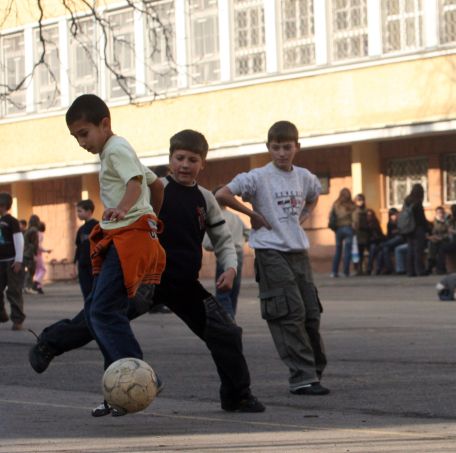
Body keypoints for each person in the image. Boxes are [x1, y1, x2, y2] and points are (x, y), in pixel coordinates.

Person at [29, 128, 265, 415]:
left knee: (227, 333)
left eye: (193, 160)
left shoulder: (205, 199)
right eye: (180, 158)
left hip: (184, 286)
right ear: (170, 160)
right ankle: (49, 343)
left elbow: (224, 240)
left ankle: (237, 396)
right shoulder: (154, 188)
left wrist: (230, 268)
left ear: (203, 164)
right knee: (98, 317)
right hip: (146, 279)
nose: (185, 165)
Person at [66, 94, 166, 415]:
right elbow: (158, 185)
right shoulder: (119, 150)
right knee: (100, 311)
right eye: (75, 137)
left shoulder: (116, 149)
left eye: (84, 133)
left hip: (128, 238)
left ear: (104, 124)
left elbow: (136, 183)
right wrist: (149, 218)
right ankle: (118, 392)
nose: (81, 142)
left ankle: (144, 377)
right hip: (131, 235)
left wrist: (125, 211)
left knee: (103, 313)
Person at [216, 120, 329, 396]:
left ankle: (314, 371)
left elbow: (315, 195)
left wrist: (305, 215)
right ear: (268, 148)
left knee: (311, 313)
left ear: (296, 147)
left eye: (287, 147)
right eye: (276, 148)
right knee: (289, 312)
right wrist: (251, 214)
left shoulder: (304, 177)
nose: (281, 153)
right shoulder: (258, 177)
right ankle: (301, 377)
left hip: (297, 251)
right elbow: (222, 193)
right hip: (270, 250)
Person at [203, 187, 249, 318]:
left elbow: (207, 244)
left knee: (223, 292)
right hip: (239, 254)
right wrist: (239, 240)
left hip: (224, 256)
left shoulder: (215, 219)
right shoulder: (236, 217)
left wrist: (218, 245)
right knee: (234, 290)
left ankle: (227, 320)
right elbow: (248, 233)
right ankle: (231, 316)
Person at [0, 192, 25, 330]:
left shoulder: (11, 221)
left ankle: (17, 319)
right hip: (0, 261)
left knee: (14, 291)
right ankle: (1, 313)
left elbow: (18, 240)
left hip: (11, 261)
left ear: (3, 206)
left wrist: (18, 260)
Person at [402, 183, 430, 277]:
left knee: (410, 250)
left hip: (408, 229)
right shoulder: (417, 203)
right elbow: (421, 219)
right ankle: (420, 270)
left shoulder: (407, 201)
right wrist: (428, 229)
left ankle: (410, 271)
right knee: (418, 250)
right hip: (418, 229)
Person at [73, 200, 98, 301]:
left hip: (94, 265)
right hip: (82, 265)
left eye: (80, 211)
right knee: (86, 293)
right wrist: (74, 264)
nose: (78, 214)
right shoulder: (81, 229)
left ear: (89, 211)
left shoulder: (97, 226)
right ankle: (88, 315)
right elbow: (78, 247)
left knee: (95, 292)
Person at [329, 188, 355, 278]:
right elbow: (355, 218)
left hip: (338, 229)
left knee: (338, 251)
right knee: (347, 251)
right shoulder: (351, 205)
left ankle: (334, 272)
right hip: (348, 228)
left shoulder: (336, 204)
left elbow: (331, 216)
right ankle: (346, 272)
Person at [376, 208, 404, 275]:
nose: (393, 217)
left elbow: (402, 233)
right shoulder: (389, 223)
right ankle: (389, 268)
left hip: (400, 240)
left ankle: (382, 245)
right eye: (391, 215)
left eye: (394, 215)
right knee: (385, 249)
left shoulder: (401, 221)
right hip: (391, 242)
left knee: (397, 238)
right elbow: (389, 235)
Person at [426, 206, 449, 275]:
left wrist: (441, 237)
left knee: (436, 246)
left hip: (445, 239)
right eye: (438, 213)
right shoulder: (434, 222)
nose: (440, 214)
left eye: (441, 212)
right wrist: (432, 237)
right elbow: (432, 232)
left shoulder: (447, 221)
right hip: (436, 240)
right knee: (432, 243)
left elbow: (449, 232)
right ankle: (433, 263)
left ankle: (431, 264)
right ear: (436, 213)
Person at [32, 222, 51, 294]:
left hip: (34, 253)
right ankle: (36, 282)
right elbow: (38, 245)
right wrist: (46, 250)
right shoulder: (40, 235)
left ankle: (38, 287)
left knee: (37, 271)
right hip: (38, 254)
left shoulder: (35, 233)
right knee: (43, 269)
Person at [23, 214, 40, 293]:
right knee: (31, 271)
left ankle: (25, 287)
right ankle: (28, 287)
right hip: (30, 253)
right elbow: (34, 243)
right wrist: (35, 254)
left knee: (27, 271)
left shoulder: (28, 230)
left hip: (25, 252)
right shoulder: (34, 230)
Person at [352, 193, 369, 275]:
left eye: (361, 200)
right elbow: (354, 223)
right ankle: (358, 269)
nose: (360, 202)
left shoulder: (366, 211)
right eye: (358, 200)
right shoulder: (354, 211)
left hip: (365, 233)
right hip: (357, 234)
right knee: (357, 252)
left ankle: (364, 269)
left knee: (364, 252)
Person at [365, 209, 385, 275]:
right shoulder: (365, 225)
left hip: (378, 242)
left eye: (371, 215)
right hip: (370, 243)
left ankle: (378, 269)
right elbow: (367, 238)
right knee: (373, 248)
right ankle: (369, 268)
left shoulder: (376, 223)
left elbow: (380, 234)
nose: (369, 216)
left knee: (380, 252)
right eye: (368, 215)